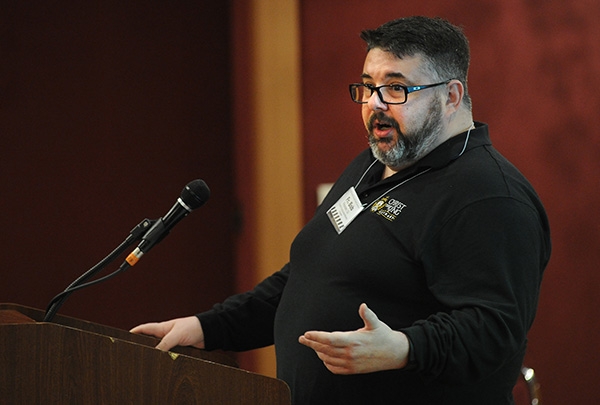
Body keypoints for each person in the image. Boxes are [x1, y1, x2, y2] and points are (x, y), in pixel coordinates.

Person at [131, 16, 551, 404]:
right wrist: (208, 327)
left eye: (396, 88)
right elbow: (307, 277)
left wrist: (404, 349)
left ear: (451, 96)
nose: (375, 104)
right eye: (368, 86)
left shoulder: (489, 197)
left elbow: (495, 332)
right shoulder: (372, 165)